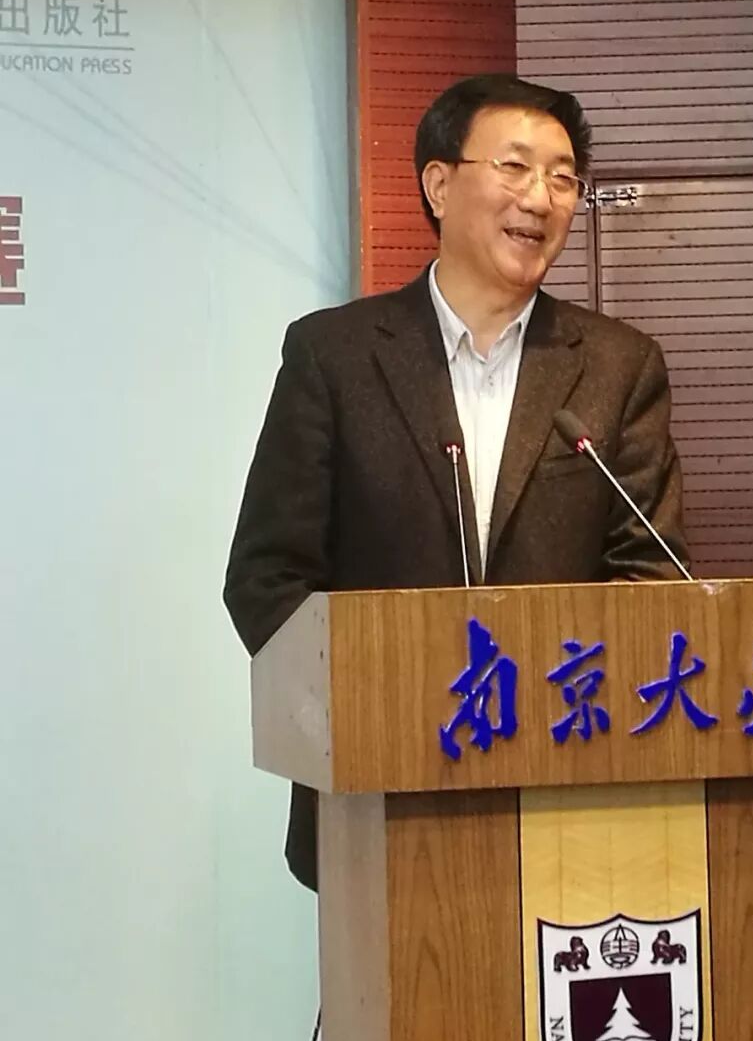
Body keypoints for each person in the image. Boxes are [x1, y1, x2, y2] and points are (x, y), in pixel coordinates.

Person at [223, 73, 688, 891]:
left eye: (563, 177)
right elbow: (267, 579)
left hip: (569, 796)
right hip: (378, 797)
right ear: (439, 185)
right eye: (515, 167)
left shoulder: (619, 367)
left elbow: (651, 576)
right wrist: (380, 706)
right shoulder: (334, 357)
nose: (541, 198)